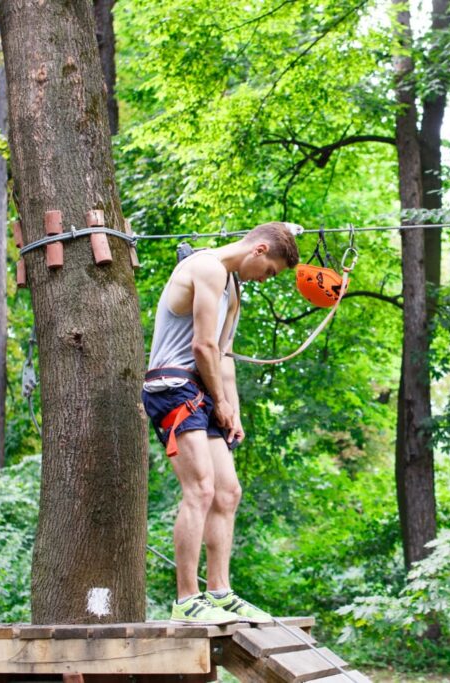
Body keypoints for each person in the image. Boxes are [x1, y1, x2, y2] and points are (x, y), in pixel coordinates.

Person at [142, 222, 300, 624]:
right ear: (258, 250)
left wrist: (233, 409)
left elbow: (223, 356)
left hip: (204, 391)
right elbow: (202, 346)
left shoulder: (233, 289)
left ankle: (220, 592)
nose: (267, 278)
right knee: (201, 487)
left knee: (228, 491)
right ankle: (185, 600)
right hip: (172, 386)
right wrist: (220, 403)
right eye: (270, 271)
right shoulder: (207, 266)